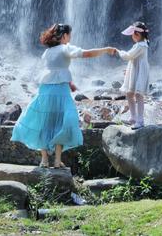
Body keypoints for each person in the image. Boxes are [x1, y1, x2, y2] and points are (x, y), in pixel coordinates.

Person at [11, 23, 115, 168]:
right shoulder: (65, 48)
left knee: (44, 121)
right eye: (69, 36)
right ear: (64, 36)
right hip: (60, 89)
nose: (70, 39)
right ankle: (57, 160)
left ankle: (44, 160)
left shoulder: (47, 52)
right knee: (62, 122)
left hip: (45, 89)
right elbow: (87, 54)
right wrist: (105, 49)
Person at [116, 21, 150, 129]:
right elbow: (133, 59)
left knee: (139, 95)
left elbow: (128, 56)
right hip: (136, 70)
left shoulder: (141, 45)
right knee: (130, 93)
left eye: (132, 34)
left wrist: (118, 51)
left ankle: (140, 120)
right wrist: (129, 69)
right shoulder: (140, 44)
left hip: (140, 72)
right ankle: (133, 117)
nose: (131, 36)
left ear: (138, 35)